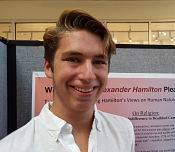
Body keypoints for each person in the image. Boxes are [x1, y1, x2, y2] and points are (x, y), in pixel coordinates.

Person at [0, 10, 135, 152]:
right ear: (49, 67)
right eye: (73, 59)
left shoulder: (123, 131)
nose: (88, 76)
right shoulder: (12, 147)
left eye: (99, 61)